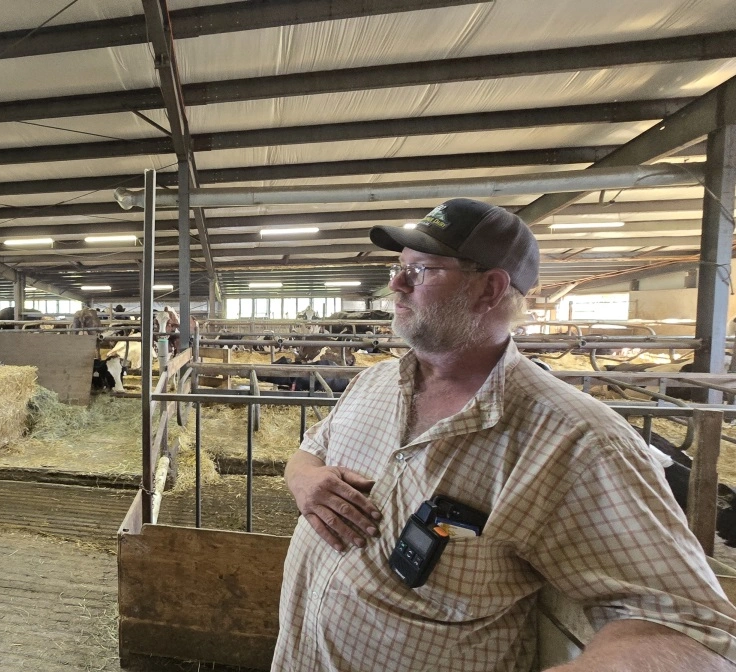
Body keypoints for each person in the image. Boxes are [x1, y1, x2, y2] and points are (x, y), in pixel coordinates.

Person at [274, 198, 736, 671]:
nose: (395, 284)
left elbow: (691, 627)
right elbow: (309, 451)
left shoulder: (576, 439)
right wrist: (305, 481)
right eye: (399, 267)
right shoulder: (373, 382)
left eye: (422, 270)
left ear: (489, 289)